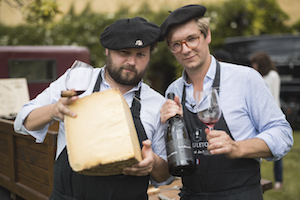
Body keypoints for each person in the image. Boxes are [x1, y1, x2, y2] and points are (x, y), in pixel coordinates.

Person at [14, 17, 171, 200]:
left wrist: (153, 163)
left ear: (150, 55)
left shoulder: (157, 103)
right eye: (124, 52)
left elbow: (165, 178)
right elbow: (22, 122)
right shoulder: (75, 81)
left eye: (141, 55)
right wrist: (53, 111)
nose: (132, 61)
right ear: (107, 51)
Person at [159, 4, 293, 200]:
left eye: (191, 39)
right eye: (176, 44)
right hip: (192, 195)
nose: (185, 49)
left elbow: (283, 134)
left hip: (239, 195)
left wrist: (237, 147)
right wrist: (167, 129)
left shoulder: (246, 79)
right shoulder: (173, 90)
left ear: (207, 36)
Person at [250, 51, 283, 190]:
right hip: (257, 117)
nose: (253, 66)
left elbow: (273, 97)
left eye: (255, 63)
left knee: (277, 151)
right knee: (256, 150)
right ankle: (255, 179)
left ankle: (279, 181)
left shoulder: (273, 76)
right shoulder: (256, 76)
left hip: (270, 117)